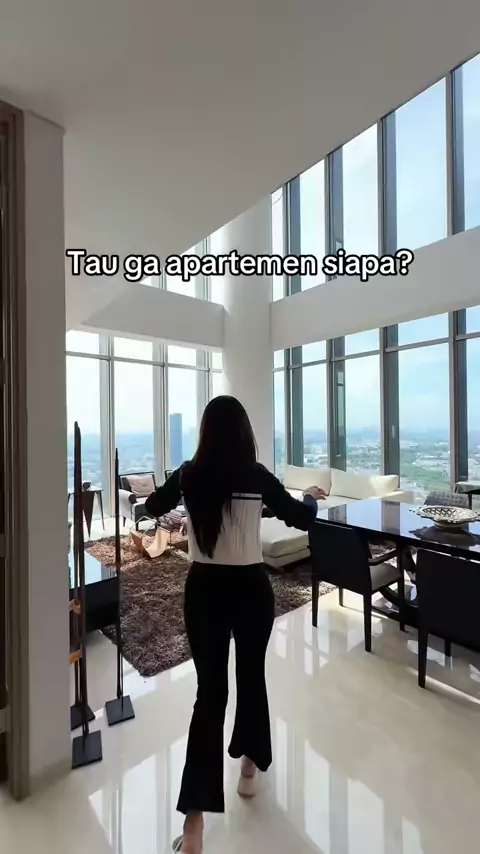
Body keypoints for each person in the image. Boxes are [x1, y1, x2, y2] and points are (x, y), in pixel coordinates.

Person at [145, 395, 323, 854]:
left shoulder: (189, 474)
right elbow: (301, 517)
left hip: (203, 591)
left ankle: (194, 825)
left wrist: (172, 490)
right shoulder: (256, 476)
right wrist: (310, 496)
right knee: (251, 676)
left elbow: (151, 506)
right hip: (250, 591)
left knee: (209, 696)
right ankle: (248, 766)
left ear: (205, 433)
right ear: (245, 433)